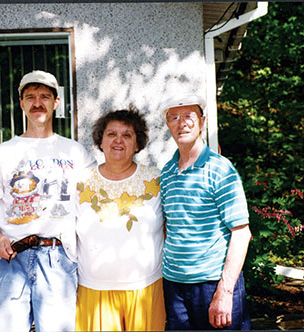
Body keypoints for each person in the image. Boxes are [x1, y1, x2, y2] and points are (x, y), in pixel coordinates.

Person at [0, 70, 96, 332]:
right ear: (21, 104)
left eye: (44, 96)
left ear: (56, 102)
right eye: (30, 97)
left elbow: (95, 202)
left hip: (58, 260)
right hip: (11, 259)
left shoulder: (75, 152)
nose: (37, 103)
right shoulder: (3, 153)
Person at [159, 94, 252, 330]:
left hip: (213, 285)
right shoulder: (167, 173)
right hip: (174, 286)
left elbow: (241, 234)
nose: (182, 123)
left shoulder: (220, 169)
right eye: (174, 117)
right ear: (168, 125)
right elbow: (168, 228)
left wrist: (225, 291)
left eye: (189, 116)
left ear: (202, 122)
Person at [75, 107, 166, 331]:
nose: (118, 141)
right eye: (111, 134)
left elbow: (169, 228)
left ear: (137, 144)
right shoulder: (79, 182)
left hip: (146, 289)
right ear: (100, 141)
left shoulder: (156, 180)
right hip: (93, 290)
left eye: (127, 135)